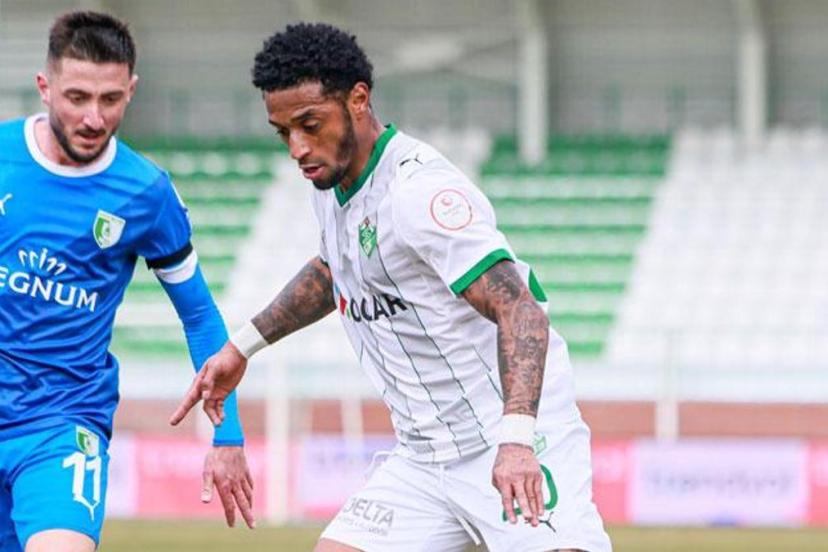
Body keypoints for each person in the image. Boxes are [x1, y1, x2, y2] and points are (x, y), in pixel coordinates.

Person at [171, 22, 612, 552]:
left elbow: (521, 310)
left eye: (309, 124)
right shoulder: (329, 181)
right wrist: (242, 347)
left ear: (358, 100)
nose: (297, 148)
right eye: (283, 132)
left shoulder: (417, 192)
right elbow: (334, 269)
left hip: (511, 439)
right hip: (424, 459)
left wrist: (517, 441)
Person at [0, 11, 255, 552]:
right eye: (77, 97)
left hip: (61, 426)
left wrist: (227, 433)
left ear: (131, 91)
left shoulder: (146, 194)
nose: (93, 118)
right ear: (45, 87)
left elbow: (199, 315)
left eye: (110, 99)